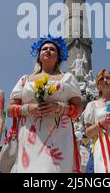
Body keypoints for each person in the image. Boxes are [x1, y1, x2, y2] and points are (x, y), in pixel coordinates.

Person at [6, 35, 82, 173]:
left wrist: (59, 107)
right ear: (39, 56)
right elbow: (10, 110)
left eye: (52, 49)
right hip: (30, 136)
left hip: (59, 137)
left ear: (58, 56)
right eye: (44, 49)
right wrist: (29, 109)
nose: (48, 51)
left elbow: (78, 110)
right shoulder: (25, 79)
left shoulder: (67, 78)